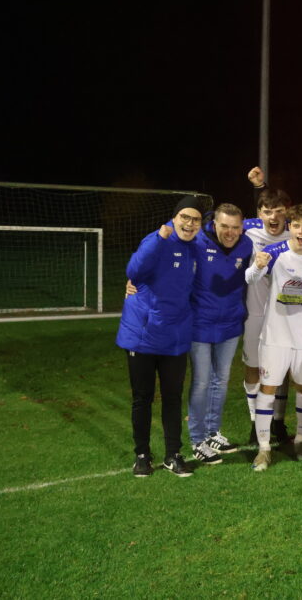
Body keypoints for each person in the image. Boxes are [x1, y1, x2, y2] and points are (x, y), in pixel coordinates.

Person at [117, 195, 207, 477]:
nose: (189, 224)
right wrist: (158, 238)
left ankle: (173, 454)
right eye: (185, 217)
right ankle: (142, 455)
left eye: (195, 220)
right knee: (142, 397)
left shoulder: (196, 247)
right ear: (175, 217)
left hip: (176, 335)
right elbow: (133, 271)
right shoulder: (157, 239)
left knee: (172, 397)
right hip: (142, 333)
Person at [244, 204, 302, 471]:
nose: (300, 231)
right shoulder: (274, 253)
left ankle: (301, 441)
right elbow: (250, 278)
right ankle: (264, 448)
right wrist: (257, 266)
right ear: (289, 227)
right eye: (295, 225)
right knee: (268, 389)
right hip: (275, 336)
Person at [187, 203, 254, 465]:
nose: (230, 232)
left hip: (230, 323)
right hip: (200, 324)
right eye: (224, 226)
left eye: (235, 227)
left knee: (221, 380)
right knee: (201, 382)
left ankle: (213, 432)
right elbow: (172, 232)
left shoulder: (246, 244)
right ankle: (197, 440)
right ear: (213, 223)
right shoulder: (197, 240)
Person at [240, 184, 292, 446]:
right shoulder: (248, 232)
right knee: (252, 368)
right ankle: (254, 422)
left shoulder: (296, 236)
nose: (273, 217)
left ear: (287, 213)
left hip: (285, 316)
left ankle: (278, 422)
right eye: (267, 211)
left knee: (281, 371)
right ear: (259, 213)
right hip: (255, 313)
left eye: (279, 211)